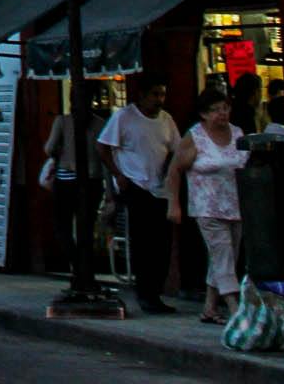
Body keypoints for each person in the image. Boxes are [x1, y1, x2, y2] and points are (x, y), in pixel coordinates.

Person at [98, 75, 181, 314]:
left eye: (162, 94)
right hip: (135, 184)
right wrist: (118, 174)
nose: (159, 99)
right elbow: (102, 146)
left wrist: (170, 172)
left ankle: (155, 291)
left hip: (160, 187)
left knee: (162, 242)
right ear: (142, 95)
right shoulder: (124, 117)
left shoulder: (166, 120)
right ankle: (145, 293)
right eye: (155, 94)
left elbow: (176, 149)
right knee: (143, 242)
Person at [172, 90, 251, 322]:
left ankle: (209, 307)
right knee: (222, 253)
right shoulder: (195, 137)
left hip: (235, 205)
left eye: (225, 108)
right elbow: (175, 170)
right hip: (207, 206)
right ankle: (234, 308)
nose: (222, 113)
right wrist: (173, 204)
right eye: (216, 110)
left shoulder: (237, 133)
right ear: (204, 114)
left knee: (226, 255)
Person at [43, 83, 108, 277]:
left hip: (66, 178)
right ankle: (86, 268)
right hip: (93, 179)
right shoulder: (100, 124)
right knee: (86, 227)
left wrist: (62, 152)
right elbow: (105, 157)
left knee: (62, 225)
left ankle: (76, 264)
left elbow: (49, 148)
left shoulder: (63, 122)